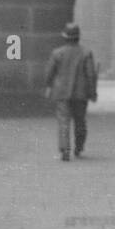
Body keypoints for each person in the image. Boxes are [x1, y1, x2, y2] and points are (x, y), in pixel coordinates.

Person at [44, 23, 98, 161]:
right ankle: (79, 147)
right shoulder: (86, 52)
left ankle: (65, 150)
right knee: (80, 121)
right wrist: (92, 93)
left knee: (63, 121)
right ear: (78, 37)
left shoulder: (57, 53)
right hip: (81, 93)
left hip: (62, 92)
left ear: (65, 37)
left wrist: (48, 86)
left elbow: (49, 73)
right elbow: (90, 75)